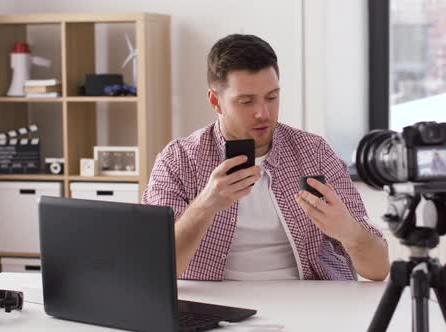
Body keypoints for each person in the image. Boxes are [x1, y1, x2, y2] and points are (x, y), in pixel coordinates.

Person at [142, 34, 389, 281]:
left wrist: (348, 231)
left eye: (272, 97)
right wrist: (206, 205)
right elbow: (154, 268)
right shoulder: (177, 160)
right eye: (246, 101)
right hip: (216, 306)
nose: (263, 113)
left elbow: (378, 269)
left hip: (310, 302)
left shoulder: (314, 152)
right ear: (215, 101)